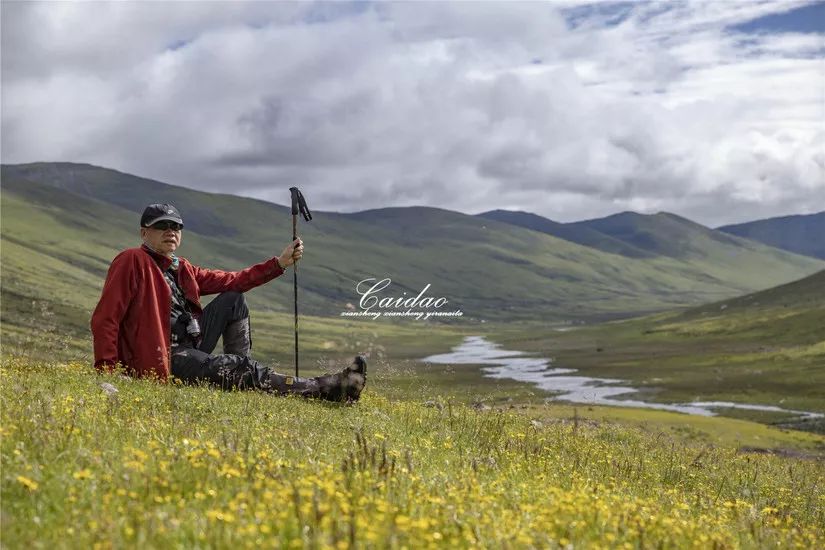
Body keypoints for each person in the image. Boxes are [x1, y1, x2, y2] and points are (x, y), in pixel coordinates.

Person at [91, 203, 366, 401]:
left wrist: (279, 263)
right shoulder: (132, 260)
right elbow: (106, 318)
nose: (170, 231)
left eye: (175, 226)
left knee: (233, 298)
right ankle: (325, 388)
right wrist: (108, 370)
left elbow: (234, 280)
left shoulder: (182, 267)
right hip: (163, 356)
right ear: (144, 233)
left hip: (190, 345)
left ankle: (241, 375)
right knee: (237, 366)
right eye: (161, 226)